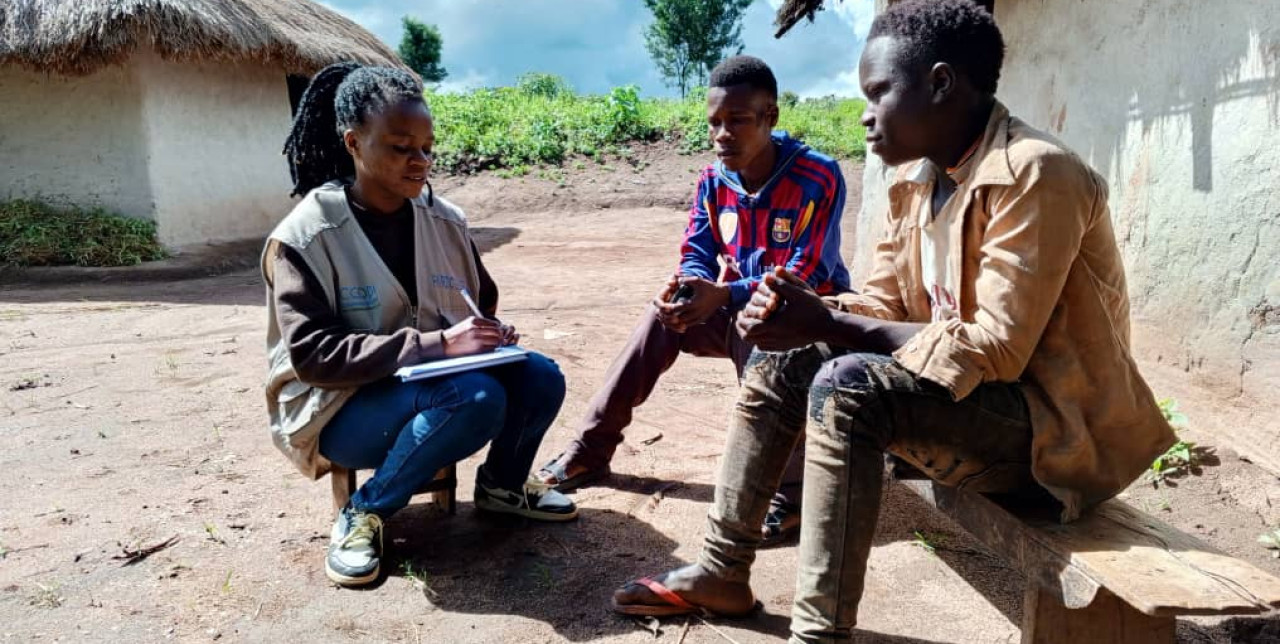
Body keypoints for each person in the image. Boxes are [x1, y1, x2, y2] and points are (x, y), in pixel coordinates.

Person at [610, 1, 1176, 641]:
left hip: (1053, 438)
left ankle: (820, 633)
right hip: (965, 408)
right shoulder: (915, 183)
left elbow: (995, 350)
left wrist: (830, 324)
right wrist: (804, 310)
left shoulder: (1036, 173)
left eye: (879, 92)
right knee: (789, 356)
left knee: (850, 387)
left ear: (940, 84)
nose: (865, 113)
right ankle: (722, 569)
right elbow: (882, 307)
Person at [263, 62, 577, 588]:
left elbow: (479, 300)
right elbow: (314, 357)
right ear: (353, 143)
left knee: (540, 376)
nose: (421, 161)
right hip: (336, 407)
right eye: (401, 147)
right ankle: (363, 513)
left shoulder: (444, 219)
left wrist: (488, 334)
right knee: (475, 399)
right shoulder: (307, 236)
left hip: (426, 385)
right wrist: (438, 343)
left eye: (428, 148)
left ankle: (502, 486)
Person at [537, 56, 852, 543]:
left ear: (770, 116)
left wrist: (726, 293)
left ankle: (789, 492)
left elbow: (806, 272)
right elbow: (697, 251)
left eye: (737, 120)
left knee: (757, 323)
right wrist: (686, 289)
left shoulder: (818, 175)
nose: (722, 134)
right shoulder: (713, 180)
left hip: (810, 319)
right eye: (714, 122)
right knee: (660, 318)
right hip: (739, 306)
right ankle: (591, 449)